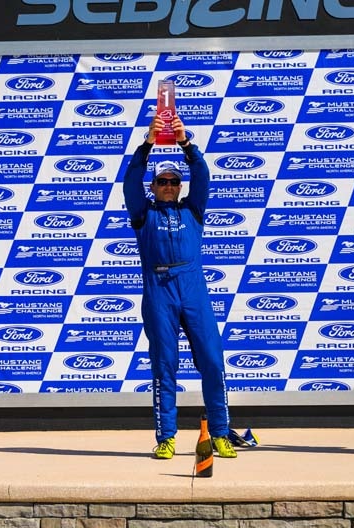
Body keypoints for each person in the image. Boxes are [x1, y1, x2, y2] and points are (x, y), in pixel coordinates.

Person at [123, 115, 236, 460]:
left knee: (213, 361)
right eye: (163, 182)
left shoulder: (193, 209)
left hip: (192, 286)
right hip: (159, 289)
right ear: (154, 187)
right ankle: (166, 438)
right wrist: (147, 143)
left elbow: (202, 174)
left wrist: (186, 144)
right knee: (164, 364)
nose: (169, 186)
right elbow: (130, 181)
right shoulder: (144, 213)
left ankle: (219, 433)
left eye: (174, 181)